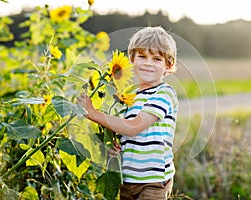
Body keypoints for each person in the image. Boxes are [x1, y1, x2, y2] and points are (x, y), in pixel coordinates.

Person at [77, 26, 179, 200]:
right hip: (127, 179)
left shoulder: (164, 93)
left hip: (153, 181)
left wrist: (93, 113)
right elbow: (128, 134)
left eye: (156, 59)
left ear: (168, 65)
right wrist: (119, 149)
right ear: (132, 59)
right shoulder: (130, 98)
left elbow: (133, 127)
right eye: (142, 56)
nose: (148, 63)